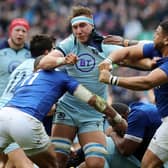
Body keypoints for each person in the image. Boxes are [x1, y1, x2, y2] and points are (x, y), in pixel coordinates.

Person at [0, 54, 126, 168]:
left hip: (4, 115)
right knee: (55, 165)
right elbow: (93, 100)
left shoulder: (26, 80)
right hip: (25, 120)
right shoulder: (62, 78)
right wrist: (116, 117)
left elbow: (46, 109)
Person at [37, 5, 125, 168]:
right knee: (57, 161)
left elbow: (131, 55)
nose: (78, 31)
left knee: (96, 163)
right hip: (68, 109)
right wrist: (62, 60)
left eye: (82, 26)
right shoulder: (69, 43)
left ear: (92, 25)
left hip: (93, 113)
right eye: (75, 27)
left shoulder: (105, 45)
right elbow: (43, 63)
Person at [99, 19, 168, 168]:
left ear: (166, 39)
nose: (153, 36)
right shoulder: (157, 49)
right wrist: (108, 60)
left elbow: (147, 82)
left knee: (148, 165)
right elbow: (128, 52)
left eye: (156, 34)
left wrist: (111, 79)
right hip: (164, 119)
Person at [0, 18, 31, 96]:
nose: (20, 33)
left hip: (19, 103)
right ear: (10, 32)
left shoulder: (31, 54)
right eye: (17, 30)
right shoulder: (1, 49)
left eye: (24, 31)